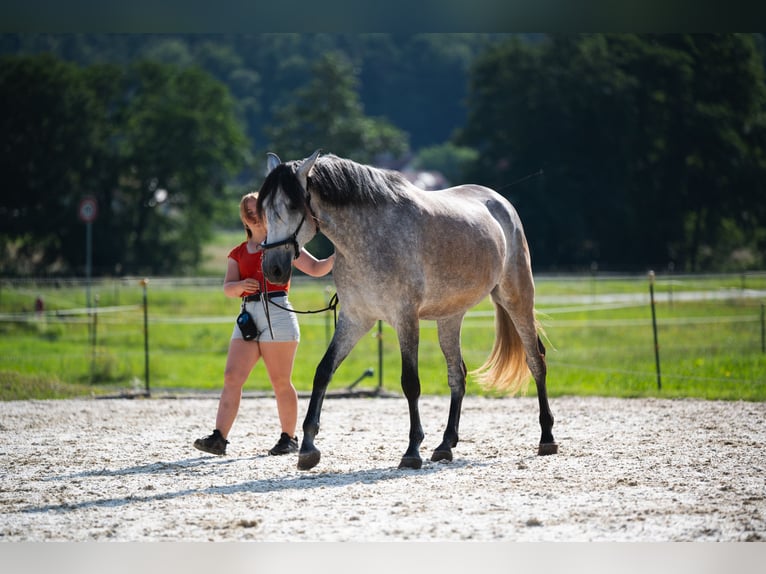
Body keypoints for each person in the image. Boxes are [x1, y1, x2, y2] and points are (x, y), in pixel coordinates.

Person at [194, 191, 334, 456]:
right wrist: (239, 286)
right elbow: (227, 288)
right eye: (247, 210)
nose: (252, 214)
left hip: (278, 312)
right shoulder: (237, 252)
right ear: (243, 218)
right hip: (248, 314)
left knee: (280, 381)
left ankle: (288, 438)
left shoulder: (283, 244)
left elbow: (315, 269)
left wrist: (340, 255)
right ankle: (219, 437)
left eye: (256, 208)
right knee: (231, 377)